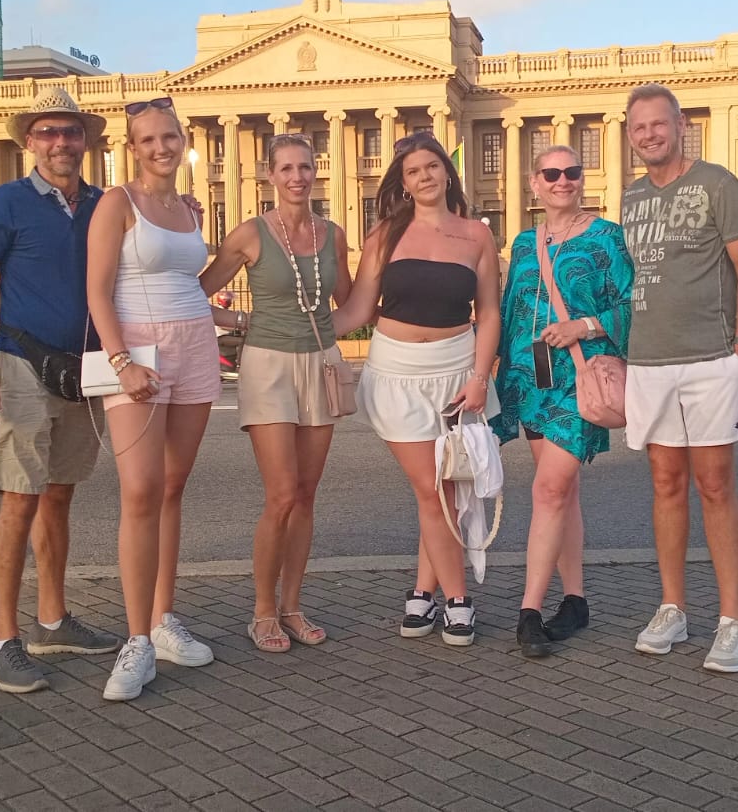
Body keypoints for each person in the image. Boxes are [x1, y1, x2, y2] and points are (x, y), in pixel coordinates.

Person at [0, 86, 121, 694]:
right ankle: (3, 641)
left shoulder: (103, 204)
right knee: (19, 498)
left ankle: (52, 619)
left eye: (70, 132)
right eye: (48, 132)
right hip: (25, 362)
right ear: (29, 141)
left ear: (86, 141)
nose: (60, 142)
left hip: (85, 368)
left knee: (59, 494)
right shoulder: (7, 203)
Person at [332, 131, 502, 647]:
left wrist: (480, 377)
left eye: (432, 166)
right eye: (412, 171)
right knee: (433, 490)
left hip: (457, 371)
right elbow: (357, 311)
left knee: (443, 488)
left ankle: (423, 592)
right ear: (402, 183)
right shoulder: (384, 235)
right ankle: (458, 600)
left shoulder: (476, 236)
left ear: (447, 172)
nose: (424, 176)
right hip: (397, 373)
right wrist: (288, 328)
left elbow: (489, 312)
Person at [87, 96, 230, 701]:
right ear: (132, 147)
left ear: (183, 141)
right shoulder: (116, 203)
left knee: (173, 487)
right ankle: (136, 640)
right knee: (141, 491)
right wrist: (121, 362)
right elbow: (97, 292)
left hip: (195, 344)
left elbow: (189, 284)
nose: (160, 147)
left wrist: (233, 319)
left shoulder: (188, 209)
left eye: (169, 137)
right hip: (138, 353)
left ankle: (162, 619)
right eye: (147, 139)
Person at [619, 83, 738, 673]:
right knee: (665, 483)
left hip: (711, 358)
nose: (649, 135)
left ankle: (732, 619)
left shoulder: (719, 185)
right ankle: (673, 607)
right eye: (639, 127)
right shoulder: (630, 197)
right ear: (630, 136)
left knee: (715, 484)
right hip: (650, 360)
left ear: (681, 126)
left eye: (659, 124)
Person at [199, 133, 353, 653]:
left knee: (306, 495)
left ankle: (292, 606)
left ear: (316, 171)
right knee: (282, 494)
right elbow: (196, 292)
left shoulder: (332, 235)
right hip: (267, 365)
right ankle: (262, 610)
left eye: (304, 167)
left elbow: (349, 302)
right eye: (286, 168)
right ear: (270, 175)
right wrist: (240, 320)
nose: (296, 177)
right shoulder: (250, 234)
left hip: (320, 364)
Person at [491, 145, 632, 659]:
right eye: (551, 173)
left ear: (581, 179)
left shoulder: (607, 237)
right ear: (535, 183)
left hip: (581, 378)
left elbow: (632, 304)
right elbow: (511, 308)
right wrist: (493, 374)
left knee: (549, 490)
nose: (562, 181)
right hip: (532, 379)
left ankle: (529, 611)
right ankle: (576, 600)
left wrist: (584, 325)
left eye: (571, 172)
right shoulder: (524, 243)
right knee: (563, 494)